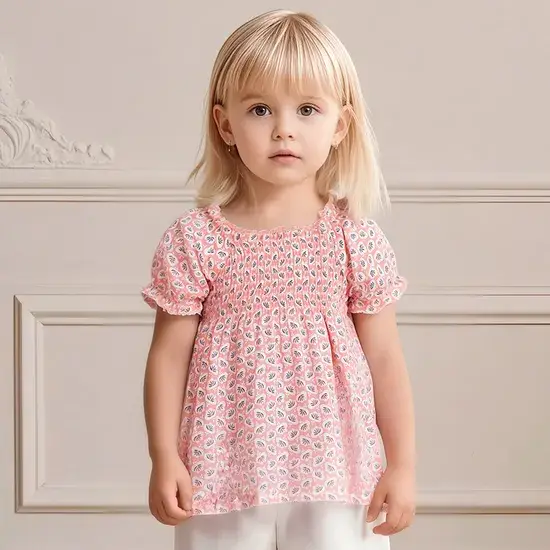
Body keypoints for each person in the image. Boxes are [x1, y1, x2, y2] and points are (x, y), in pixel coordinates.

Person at [141, 9, 415, 550]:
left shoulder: (353, 239)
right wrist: (164, 456)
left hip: (336, 472)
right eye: (260, 109)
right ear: (225, 125)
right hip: (221, 474)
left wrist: (402, 465)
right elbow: (167, 358)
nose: (283, 128)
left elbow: (385, 358)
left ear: (340, 125)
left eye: (307, 109)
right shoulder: (196, 241)